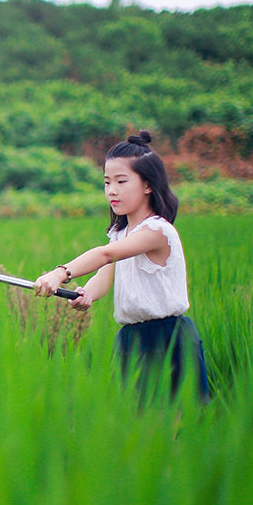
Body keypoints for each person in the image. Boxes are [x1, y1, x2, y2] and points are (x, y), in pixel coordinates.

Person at [33, 130, 210, 402]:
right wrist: (87, 293)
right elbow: (104, 277)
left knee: (171, 428)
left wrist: (61, 273)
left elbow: (104, 255)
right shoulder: (120, 233)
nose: (111, 190)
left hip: (168, 338)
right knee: (137, 428)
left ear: (148, 185)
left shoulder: (157, 231)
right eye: (107, 182)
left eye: (121, 181)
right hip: (131, 339)